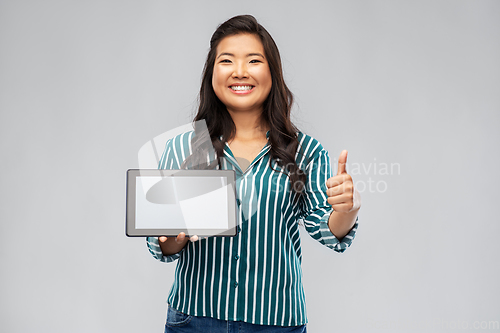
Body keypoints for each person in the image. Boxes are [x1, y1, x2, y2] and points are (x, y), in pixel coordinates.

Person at [146, 14, 360, 332]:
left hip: (275, 322)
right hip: (196, 319)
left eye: (254, 60)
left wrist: (347, 209)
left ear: (272, 72)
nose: (240, 72)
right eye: (227, 60)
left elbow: (328, 231)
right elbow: (159, 244)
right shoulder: (183, 147)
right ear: (212, 74)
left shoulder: (306, 151)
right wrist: (172, 239)